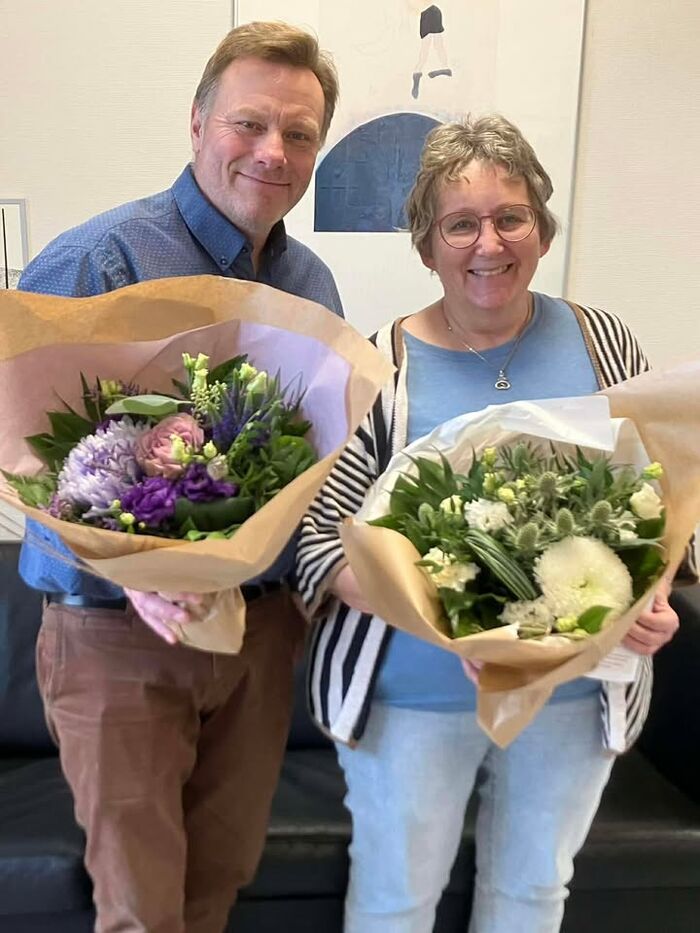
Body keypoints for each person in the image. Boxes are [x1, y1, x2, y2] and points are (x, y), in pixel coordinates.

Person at [296, 114, 688, 933]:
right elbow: (317, 540)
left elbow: (661, 498)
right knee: (394, 905)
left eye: (511, 217)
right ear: (427, 245)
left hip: (576, 695)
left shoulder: (603, 342)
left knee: (532, 896)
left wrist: (653, 596)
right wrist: (441, 612)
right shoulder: (378, 364)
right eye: (460, 224)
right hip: (411, 698)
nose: (489, 242)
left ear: (541, 229)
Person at [20, 21, 341, 933]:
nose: (273, 151)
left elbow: (322, 455)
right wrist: (131, 565)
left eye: (300, 133)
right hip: (119, 635)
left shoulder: (312, 283)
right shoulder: (104, 260)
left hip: (260, 635)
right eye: (250, 123)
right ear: (198, 122)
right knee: (141, 909)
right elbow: (27, 453)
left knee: (219, 884)